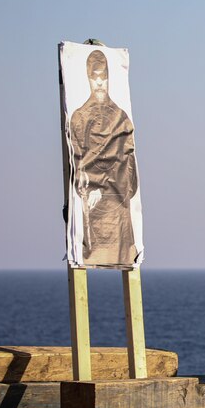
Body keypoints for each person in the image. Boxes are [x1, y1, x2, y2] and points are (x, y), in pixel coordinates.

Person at [69, 49, 140, 267]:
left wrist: (106, 187)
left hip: (119, 221)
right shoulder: (79, 118)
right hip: (92, 223)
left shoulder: (121, 118)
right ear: (88, 77)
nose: (100, 82)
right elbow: (76, 167)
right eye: (95, 77)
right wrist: (90, 186)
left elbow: (131, 175)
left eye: (104, 76)